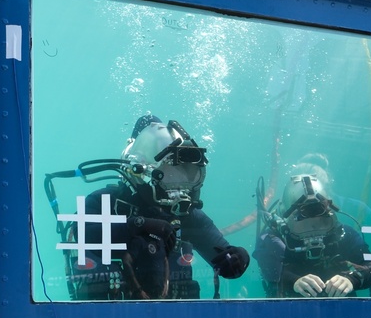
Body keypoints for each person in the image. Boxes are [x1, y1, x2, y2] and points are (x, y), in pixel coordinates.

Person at [66, 115, 249, 300]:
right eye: (169, 175)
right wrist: (138, 224)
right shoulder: (106, 202)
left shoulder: (185, 215)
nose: (179, 189)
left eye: (188, 177)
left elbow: (224, 260)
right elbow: (83, 234)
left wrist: (237, 258)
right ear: (141, 170)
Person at [253, 173, 371, 298]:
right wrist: (294, 281)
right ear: (284, 221)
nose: (313, 231)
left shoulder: (344, 234)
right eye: (303, 224)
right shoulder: (273, 238)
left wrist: (352, 279)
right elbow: (268, 268)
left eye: (322, 222)